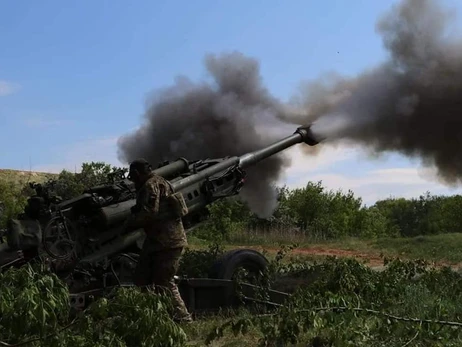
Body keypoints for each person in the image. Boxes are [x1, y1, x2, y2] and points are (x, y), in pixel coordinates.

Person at [123, 158, 192, 323]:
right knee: (141, 278)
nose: (133, 181)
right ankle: (149, 317)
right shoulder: (162, 182)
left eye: (133, 176)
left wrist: (128, 224)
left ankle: (182, 318)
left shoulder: (150, 185)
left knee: (164, 282)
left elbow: (149, 213)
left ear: (138, 173)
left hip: (167, 242)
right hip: (157, 241)